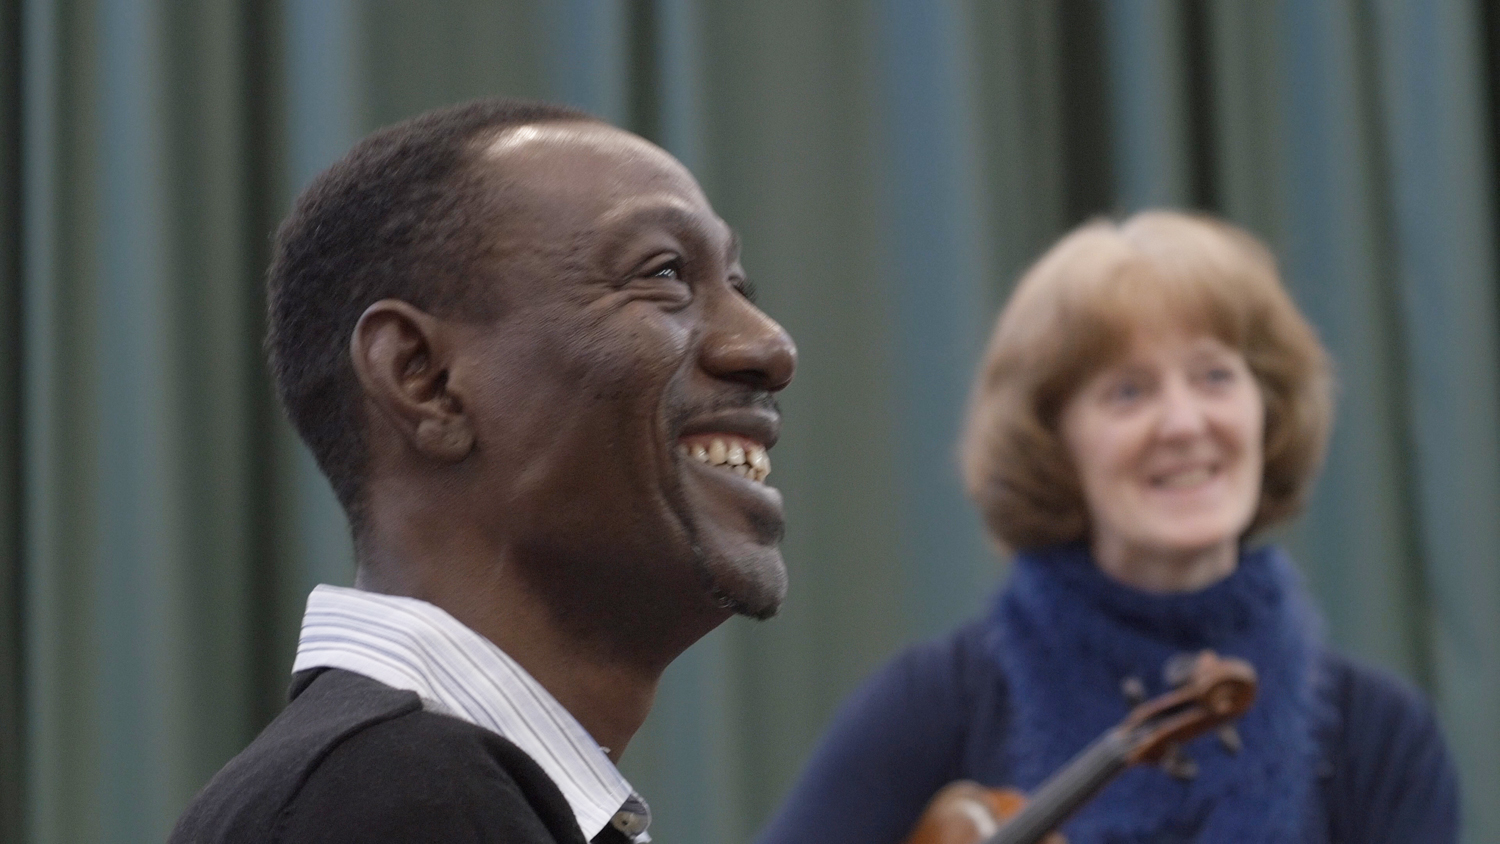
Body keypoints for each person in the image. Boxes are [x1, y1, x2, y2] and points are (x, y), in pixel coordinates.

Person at [170, 97, 796, 844]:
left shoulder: (409, 790)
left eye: (740, 288)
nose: (769, 346)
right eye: (664, 273)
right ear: (425, 378)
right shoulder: (393, 801)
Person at [756, 211, 1457, 844]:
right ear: (1052, 441)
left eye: (1214, 376)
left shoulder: (1381, 737)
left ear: (1265, 407)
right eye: (1129, 391)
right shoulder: (936, 708)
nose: (1183, 423)